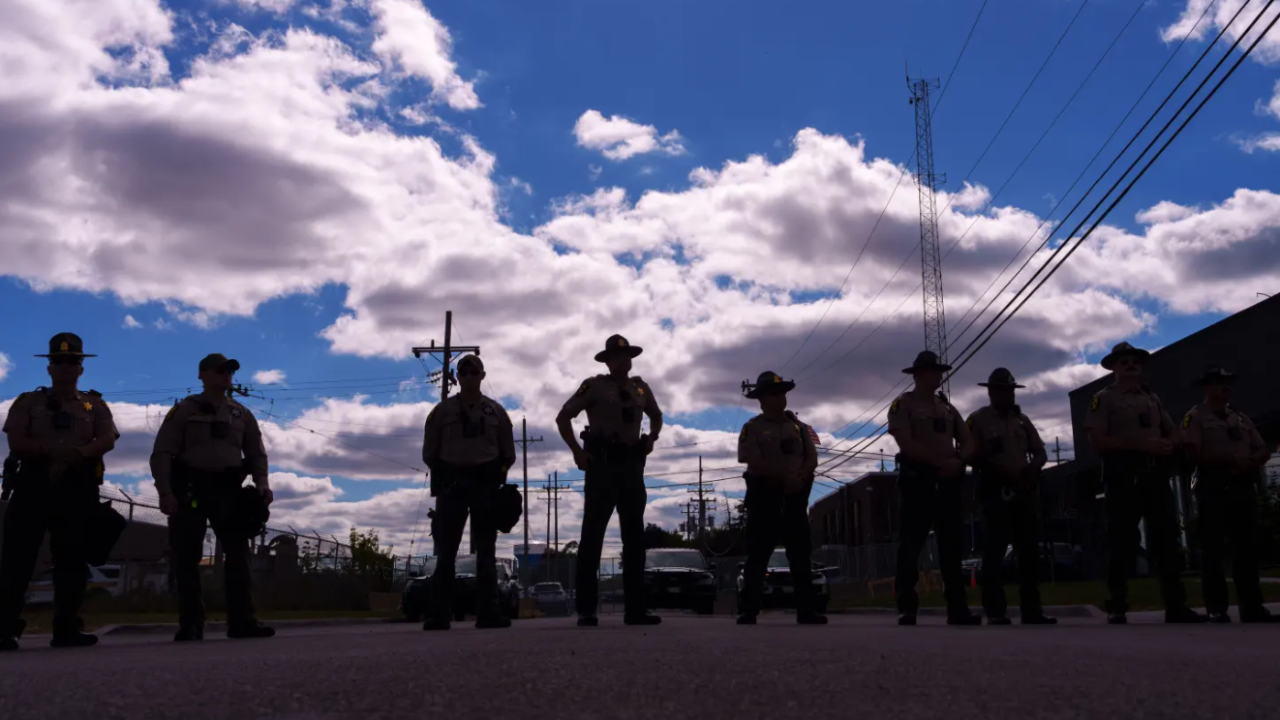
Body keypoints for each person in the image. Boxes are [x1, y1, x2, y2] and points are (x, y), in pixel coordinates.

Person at [0, 333, 118, 651]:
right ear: (49, 368)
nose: (66, 366)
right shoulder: (28, 402)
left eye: (73, 362)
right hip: (34, 481)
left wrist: (78, 455)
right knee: (17, 557)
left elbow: (107, 438)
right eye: (59, 361)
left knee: (72, 558)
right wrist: (51, 454)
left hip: (77, 484)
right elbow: (16, 441)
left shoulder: (95, 404)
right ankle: (5, 629)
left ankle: (67, 628)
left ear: (81, 368)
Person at [150, 353, 275, 641]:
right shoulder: (184, 410)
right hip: (190, 489)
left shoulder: (241, 414)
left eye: (230, 370)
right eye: (220, 370)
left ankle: (242, 621)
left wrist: (262, 483)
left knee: (238, 554)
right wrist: (165, 491)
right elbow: (161, 453)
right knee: (186, 557)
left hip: (229, 491)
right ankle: (191, 624)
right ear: (202, 375)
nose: (226, 374)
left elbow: (256, 453)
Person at [1085, 342, 1205, 624]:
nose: (1130, 364)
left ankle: (1176, 606)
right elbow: (1097, 440)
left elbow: (1173, 431)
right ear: (1114, 367)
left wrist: (1168, 444)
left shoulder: (1151, 398)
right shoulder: (1104, 399)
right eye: (1124, 361)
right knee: (1121, 541)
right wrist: (1138, 445)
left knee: (1167, 540)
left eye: (1135, 360)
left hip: (1154, 475)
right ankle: (1117, 605)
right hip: (1123, 476)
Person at [556, 335, 663, 627]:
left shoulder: (640, 387)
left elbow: (656, 415)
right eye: (616, 355)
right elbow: (563, 416)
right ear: (607, 360)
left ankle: (635, 610)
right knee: (592, 538)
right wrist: (578, 453)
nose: (622, 360)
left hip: (631, 466)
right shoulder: (595, 386)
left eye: (626, 355)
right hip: (602, 466)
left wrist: (652, 438)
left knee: (634, 540)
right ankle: (587, 610)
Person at [421, 354, 516, 630]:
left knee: (486, 550)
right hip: (452, 484)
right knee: (446, 551)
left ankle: (488, 613)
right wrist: (444, 474)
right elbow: (429, 450)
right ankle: (439, 614)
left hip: (485, 483)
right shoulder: (441, 412)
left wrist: (495, 477)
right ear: (457, 377)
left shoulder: (496, 412)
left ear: (483, 375)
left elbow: (508, 452)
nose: (469, 375)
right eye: (464, 371)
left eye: (474, 371)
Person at [888, 351, 980, 626]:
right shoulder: (902, 404)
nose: (938, 375)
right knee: (911, 545)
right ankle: (907, 607)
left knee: (952, 546)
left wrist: (959, 460)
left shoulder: (947, 408)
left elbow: (968, 440)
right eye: (932, 370)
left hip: (949, 480)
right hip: (919, 480)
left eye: (939, 370)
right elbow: (905, 442)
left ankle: (957, 608)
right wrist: (939, 462)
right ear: (917, 375)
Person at [1180, 366, 1277, 624]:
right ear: (1206, 388)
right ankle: (1217, 608)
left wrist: (1251, 460)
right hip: (1213, 486)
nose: (1226, 388)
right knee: (1213, 549)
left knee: (1246, 548)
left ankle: (1252, 607)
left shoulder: (1241, 418)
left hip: (1242, 486)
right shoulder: (1195, 417)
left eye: (1228, 383)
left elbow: (1263, 449)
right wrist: (1231, 459)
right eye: (1219, 383)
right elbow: (1192, 452)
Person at [965, 368, 1056, 626]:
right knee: (994, 551)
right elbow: (969, 453)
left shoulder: (1021, 420)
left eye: (1011, 391)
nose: (1008, 395)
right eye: (1003, 391)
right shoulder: (978, 420)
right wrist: (996, 468)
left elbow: (1040, 451)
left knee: (1028, 552)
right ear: (991, 393)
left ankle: (1032, 610)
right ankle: (995, 611)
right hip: (994, 488)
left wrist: (1033, 468)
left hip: (1023, 489)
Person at [735, 372, 826, 626]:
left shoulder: (798, 427)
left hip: (795, 496)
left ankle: (807, 610)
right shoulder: (752, 427)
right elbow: (751, 459)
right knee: (758, 555)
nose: (781, 397)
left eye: (783, 392)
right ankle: (749, 610)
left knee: (800, 555)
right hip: (765, 496)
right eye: (775, 393)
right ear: (762, 398)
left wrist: (800, 478)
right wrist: (784, 476)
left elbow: (811, 458)